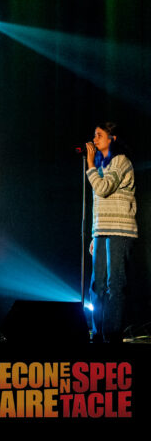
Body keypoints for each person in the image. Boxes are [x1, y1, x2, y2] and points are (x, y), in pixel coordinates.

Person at [85, 122, 137, 343]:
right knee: (98, 284)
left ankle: (112, 335)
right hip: (102, 231)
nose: (94, 140)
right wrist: (93, 234)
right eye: (94, 136)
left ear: (112, 139)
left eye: (99, 135)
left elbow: (104, 189)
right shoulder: (100, 165)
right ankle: (97, 334)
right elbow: (98, 203)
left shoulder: (120, 161)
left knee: (114, 284)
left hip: (120, 230)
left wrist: (89, 165)